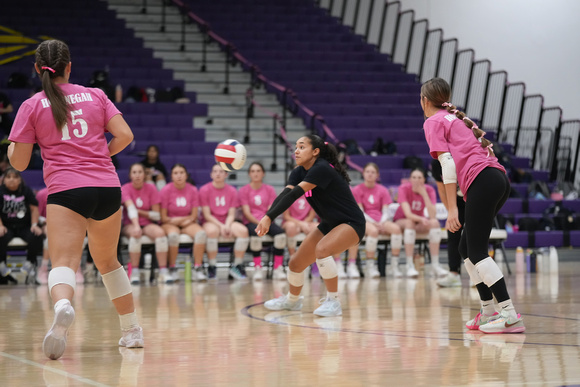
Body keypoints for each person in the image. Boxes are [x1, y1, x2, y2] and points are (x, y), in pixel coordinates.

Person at [7, 39, 143, 360]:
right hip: (107, 187)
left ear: (38, 69)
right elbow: (125, 135)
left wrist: (13, 148)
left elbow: (21, 163)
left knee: (65, 263)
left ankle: (64, 306)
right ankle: (132, 330)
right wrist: (99, 157)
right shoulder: (96, 94)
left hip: (67, 190)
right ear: (69, 67)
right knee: (109, 263)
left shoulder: (32, 105)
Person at [420, 77, 525, 333]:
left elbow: (447, 165)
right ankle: (488, 311)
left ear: (424, 101)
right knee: (466, 247)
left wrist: (452, 209)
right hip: (497, 179)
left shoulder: (433, 121)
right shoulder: (454, 119)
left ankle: (509, 314)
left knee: (476, 251)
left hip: (483, 180)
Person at [257, 134, 366, 317]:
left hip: (352, 223)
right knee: (295, 263)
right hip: (329, 224)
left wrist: (269, 217)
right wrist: (268, 215)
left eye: (301, 147)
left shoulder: (321, 168)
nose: (296, 151)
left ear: (315, 152)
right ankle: (292, 301)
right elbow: (285, 194)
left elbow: (293, 196)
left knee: (322, 250)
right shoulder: (298, 171)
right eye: (296, 147)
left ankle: (333, 302)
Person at [347, 162, 404, 279]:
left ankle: (394, 266)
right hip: (365, 220)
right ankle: (370, 266)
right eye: (367, 172)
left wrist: (382, 222)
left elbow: (386, 210)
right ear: (363, 174)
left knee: (396, 229)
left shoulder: (382, 190)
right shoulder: (357, 190)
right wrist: (373, 222)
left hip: (381, 220)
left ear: (377, 175)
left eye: (373, 172)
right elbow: (360, 211)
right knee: (373, 231)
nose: (370, 174)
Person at [392, 167, 446, 278]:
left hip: (419, 221)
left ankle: (435, 265)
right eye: (414, 177)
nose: (416, 180)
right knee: (410, 222)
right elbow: (408, 214)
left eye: (419, 177)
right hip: (401, 221)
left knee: (435, 223)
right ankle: (409, 265)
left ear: (424, 180)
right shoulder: (403, 188)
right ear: (410, 179)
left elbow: (432, 215)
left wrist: (424, 194)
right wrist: (421, 219)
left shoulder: (429, 189)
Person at [121, 162, 170, 284]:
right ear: (130, 175)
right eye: (134, 172)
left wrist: (140, 212)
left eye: (140, 172)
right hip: (130, 223)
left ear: (144, 175)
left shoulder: (151, 188)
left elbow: (156, 215)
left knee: (160, 233)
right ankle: (135, 272)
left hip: (147, 223)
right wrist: (137, 226)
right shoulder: (125, 188)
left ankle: (163, 272)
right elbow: (130, 209)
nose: (137, 175)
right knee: (135, 234)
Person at [199, 164, 249, 281]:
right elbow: (207, 214)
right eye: (215, 171)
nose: (218, 174)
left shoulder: (232, 190)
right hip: (210, 221)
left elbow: (231, 213)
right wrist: (221, 226)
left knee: (243, 231)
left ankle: (237, 265)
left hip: (227, 220)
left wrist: (227, 225)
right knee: (212, 232)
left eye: (221, 172)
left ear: (226, 174)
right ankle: (212, 266)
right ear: (211, 174)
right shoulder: (204, 190)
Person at [239, 162, 287, 281]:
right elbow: (246, 212)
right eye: (253, 171)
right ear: (249, 174)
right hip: (251, 222)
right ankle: (257, 268)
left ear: (263, 173)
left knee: (280, 235)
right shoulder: (244, 190)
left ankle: (278, 268)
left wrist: (266, 221)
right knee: (255, 236)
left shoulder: (269, 189)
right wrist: (258, 223)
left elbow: (271, 209)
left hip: (267, 221)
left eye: (258, 171)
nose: (256, 174)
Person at [159, 163, 207, 282]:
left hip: (187, 223)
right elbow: (164, 218)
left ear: (186, 175)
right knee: (173, 236)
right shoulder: (166, 190)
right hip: (170, 223)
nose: (179, 176)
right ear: (171, 176)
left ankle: (197, 268)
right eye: (176, 173)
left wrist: (180, 220)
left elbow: (194, 216)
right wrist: (181, 220)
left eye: (181, 173)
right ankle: (172, 268)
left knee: (201, 234)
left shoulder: (193, 189)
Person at [0, 168, 43, 280]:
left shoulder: (26, 190)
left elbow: (34, 209)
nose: (12, 180)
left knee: (37, 235)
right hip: (6, 226)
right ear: (4, 180)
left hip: (24, 226)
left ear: (20, 180)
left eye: (15, 177)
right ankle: (1, 264)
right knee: (1, 236)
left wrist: (34, 224)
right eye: (8, 177)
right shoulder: (0, 191)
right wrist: (0, 226)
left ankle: (30, 262)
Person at [431, 159, 464, 287]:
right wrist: (451, 211)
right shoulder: (436, 163)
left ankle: (477, 275)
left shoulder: (461, 155)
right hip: (455, 201)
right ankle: (454, 274)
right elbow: (442, 189)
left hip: (473, 197)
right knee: (453, 232)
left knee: (472, 235)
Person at [281, 193, 321, 277]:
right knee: (291, 227)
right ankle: (292, 259)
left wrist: (303, 224)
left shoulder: (310, 192)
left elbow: (312, 215)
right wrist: (300, 224)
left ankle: (314, 261)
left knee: (318, 227)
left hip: (306, 222)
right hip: (292, 222)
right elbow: (286, 216)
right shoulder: (288, 192)